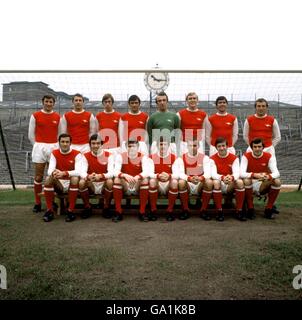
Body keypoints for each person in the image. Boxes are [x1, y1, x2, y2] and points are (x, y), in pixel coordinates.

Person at [28, 94, 60, 213]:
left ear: (53, 103)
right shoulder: (35, 115)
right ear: (43, 102)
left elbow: (60, 134)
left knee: (52, 176)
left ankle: (51, 202)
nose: (48, 104)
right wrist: (37, 146)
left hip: (53, 147)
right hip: (39, 147)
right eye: (46, 101)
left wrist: (55, 147)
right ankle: (37, 203)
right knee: (39, 176)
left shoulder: (57, 117)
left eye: (50, 102)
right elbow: (31, 135)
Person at [42, 134, 82, 223]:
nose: (65, 144)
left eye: (67, 142)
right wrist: (54, 173)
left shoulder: (77, 154)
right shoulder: (54, 153)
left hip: (71, 183)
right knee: (49, 178)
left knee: (75, 178)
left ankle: (70, 211)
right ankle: (49, 211)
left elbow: (79, 171)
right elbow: (50, 170)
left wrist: (64, 173)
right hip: (59, 183)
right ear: (59, 143)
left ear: (70, 143)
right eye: (62, 142)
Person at [240, 138, 281, 219]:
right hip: (250, 182)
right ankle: (250, 208)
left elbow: (277, 173)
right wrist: (255, 175)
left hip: (263, 183)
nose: (257, 149)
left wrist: (268, 176)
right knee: (246, 180)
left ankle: (268, 209)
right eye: (255, 147)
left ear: (263, 147)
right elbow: (241, 173)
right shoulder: (246, 156)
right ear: (252, 148)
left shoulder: (269, 156)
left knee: (277, 181)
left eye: (259, 146)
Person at [112, 139, 150, 222]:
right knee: (117, 179)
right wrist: (124, 175)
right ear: (126, 147)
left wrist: (137, 177)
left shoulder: (143, 156)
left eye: (134, 146)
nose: (131, 148)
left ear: (138, 147)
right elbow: (115, 171)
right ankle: (119, 212)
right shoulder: (121, 156)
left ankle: (142, 212)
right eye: (129, 146)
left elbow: (146, 171)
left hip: (137, 185)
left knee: (145, 180)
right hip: (125, 184)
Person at [78, 134, 115, 219]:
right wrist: (88, 176)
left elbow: (111, 172)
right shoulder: (85, 155)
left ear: (102, 144)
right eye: (93, 143)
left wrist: (100, 176)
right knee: (81, 182)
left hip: (103, 183)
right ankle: (87, 207)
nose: (95, 146)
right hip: (91, 183)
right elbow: (82, 172)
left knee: (110, 181)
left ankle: (106, 207)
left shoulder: (109, 155)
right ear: (90, 145)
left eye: (98, 143)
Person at [210, 137, 246, 222]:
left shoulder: (234, 158)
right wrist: (222, 178)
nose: (222, 148)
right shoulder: (212, 158)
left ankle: (239, 211)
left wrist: (231, 177)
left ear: (227, 146)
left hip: (230, 183)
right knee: (216, 182)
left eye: (223, 146)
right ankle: (219, 211)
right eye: (219, 146)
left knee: (240, 182)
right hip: (219, 182)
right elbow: (213, 174)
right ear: (216, 148)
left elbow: (237, 173)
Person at [178, 137, 213, 220]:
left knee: (209, 182)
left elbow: (208, 173)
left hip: (200, 183)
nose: (192, 147)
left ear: (198, 146)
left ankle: (203, 210)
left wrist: (201, 178)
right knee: (181, 182)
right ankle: (185, 210)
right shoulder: (181, 158)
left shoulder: (205, 157)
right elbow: (180, 173)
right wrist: (189, 178)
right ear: (187, 146)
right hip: (189, 183)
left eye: (194, 145)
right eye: (190, 145)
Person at [149, 137, 180, 222]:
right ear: (158, 146)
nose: (163, 146)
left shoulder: (174, 157)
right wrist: (158, 175)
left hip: (168, 183)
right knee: (151, 181)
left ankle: (169, 211)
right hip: (157, 182)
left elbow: (177, 173)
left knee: (174, 182)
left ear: (168, 146)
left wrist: (169, 175)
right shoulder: (152, 157)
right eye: (161, 144)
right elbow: (149, 173)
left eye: (165, 144)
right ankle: (153, 210)